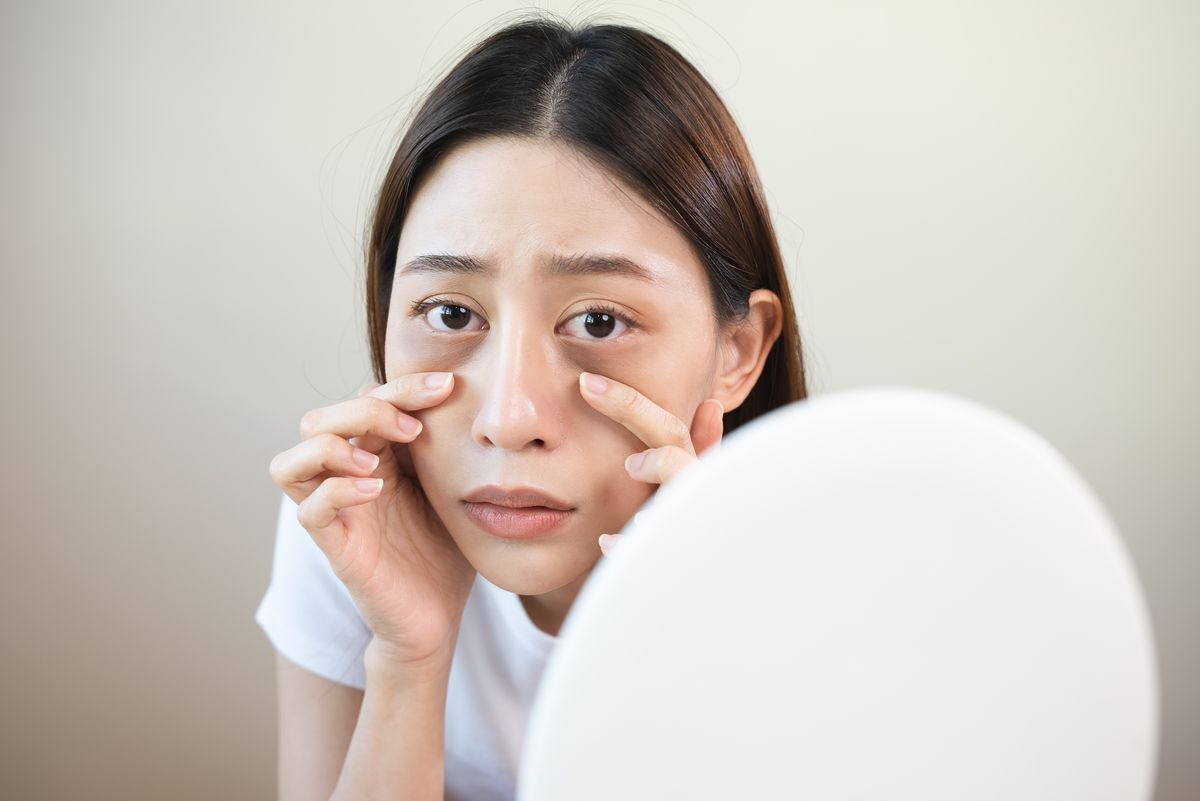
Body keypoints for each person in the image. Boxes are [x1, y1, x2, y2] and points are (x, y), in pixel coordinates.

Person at [257, 11, 807, 801]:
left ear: (737, 352)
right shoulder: (353, 517)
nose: (509, 419)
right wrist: (409, 661)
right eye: (450, 314)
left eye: (599, 321)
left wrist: (682, 646)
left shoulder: (819, 578)